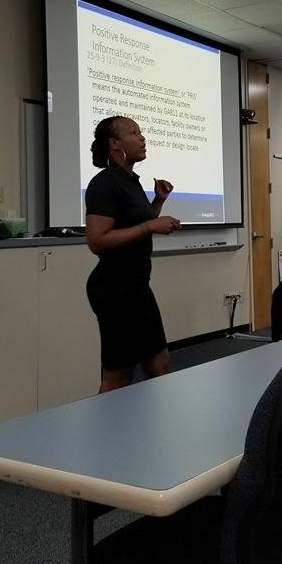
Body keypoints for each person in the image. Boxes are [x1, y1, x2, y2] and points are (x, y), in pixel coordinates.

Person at [85, 116, 180, 392]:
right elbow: (97, 240)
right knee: (118, 377)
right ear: (115, 144)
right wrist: (151, 226)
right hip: (114, 289)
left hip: (137, 286)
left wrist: (158, 201)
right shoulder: (104, 183)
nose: (142, 137)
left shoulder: (130, 181)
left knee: (159, 364)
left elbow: (136, 223)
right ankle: (104, 421)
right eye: (133, 132)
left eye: (140, 132)